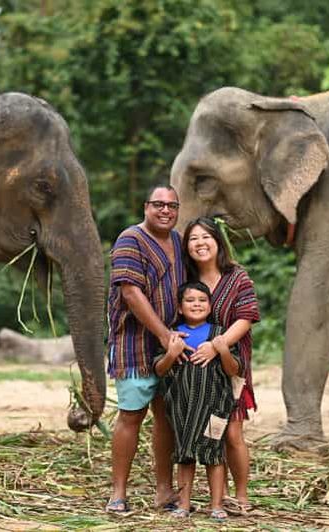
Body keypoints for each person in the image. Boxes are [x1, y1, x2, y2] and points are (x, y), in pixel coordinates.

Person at [105, 185, 186, 514]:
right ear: (145, 207)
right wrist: (164, 335)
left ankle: (164, 491)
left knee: (166, 417)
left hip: (172, 343)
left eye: (172, 206)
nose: (165, 211)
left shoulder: (179, 241)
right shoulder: (130, 240)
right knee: (131, 415)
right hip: (136, 344)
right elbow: (131, 293)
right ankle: (118, 493)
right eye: (158, 205)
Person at [182, 216, 260, 514]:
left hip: (231, 365)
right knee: (207, 432)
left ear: (217, 241)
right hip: (197, 370)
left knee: (232, 433)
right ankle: (219, 493)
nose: (200, 244)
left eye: (206, 237)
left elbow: (247, 317)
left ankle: (240, 495)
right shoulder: (187, 280)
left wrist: (219, 345)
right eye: (193, 239)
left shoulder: (237, 277)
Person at [154, 281, 244, 521]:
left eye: (202, 300)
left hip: (215, 406)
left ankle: (216, 506)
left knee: (214, 454)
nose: (197, 304)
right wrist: (172, 354)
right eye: (190, 300)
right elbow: (159, 370)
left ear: (210, 305)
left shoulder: (219, 334)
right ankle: (183, 504)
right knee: (185, 454)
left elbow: (233, 368)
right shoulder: (173, 335)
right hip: (182, 406)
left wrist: (222, 349)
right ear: (180, 307)